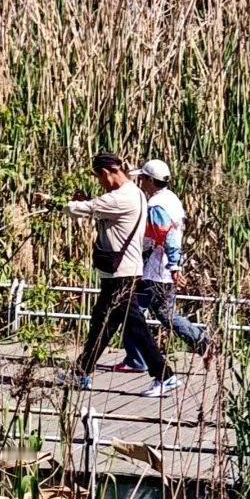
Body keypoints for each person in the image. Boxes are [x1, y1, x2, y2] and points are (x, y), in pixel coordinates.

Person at [35, 153, 177, 397]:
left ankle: (165, 375)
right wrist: (84, 203)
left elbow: (88, 209)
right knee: (103, 322)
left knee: (134, 325)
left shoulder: (123, 197)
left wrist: (51, 202)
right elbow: (101, 211)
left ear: (108, 172)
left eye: (100, 177)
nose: (101, 183)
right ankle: (82, 372)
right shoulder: (133, 193)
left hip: (121, 272)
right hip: (121, 271)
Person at [112, 159, 211, 373]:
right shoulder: (171, 199)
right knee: (141, 311)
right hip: (158, 268)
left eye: (143, 179)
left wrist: (174, 266)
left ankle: (202, 343)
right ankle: (135, 358)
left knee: (144, 312)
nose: (140, 182)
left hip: (157, 270)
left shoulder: (156, 205)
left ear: (149, 180)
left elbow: (170, 236)